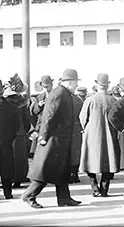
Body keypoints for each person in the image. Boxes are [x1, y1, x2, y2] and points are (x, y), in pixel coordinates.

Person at [22, 69, 82, 209]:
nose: (76, 86)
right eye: (75, 83)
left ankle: (64, 198)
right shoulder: (60, 94)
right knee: (46, 169)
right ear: (69, 83)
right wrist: (44, 136)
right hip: (53, 139)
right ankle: (29, 195)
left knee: (62, 169)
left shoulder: (63, 93)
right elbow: (49, 116)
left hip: (60, 139)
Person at [79, 73, 120, 197]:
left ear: (97, 84)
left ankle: (94, 188)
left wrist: (85, 129)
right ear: (108, 85)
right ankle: (104, 189)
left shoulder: (90, 100)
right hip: (109, 135)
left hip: (92, 135)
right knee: (108, 161)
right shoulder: (113, 100)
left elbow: (82, 118)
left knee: (89, 161)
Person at [3, 74, 31, 189]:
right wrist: (25, 130)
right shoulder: (22, 102)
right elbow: (26, 119)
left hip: (6, 132)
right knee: (20, 158)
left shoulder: (5, 102)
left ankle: (7, 179)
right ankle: (19, 179)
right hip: (19, 132)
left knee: (8, 156)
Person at [29, 75, 53, 157]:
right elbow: (33, 112)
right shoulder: (40, 97)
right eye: (44, 87)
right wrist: (38, 105)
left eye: (47, 86)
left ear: (51, 85)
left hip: (52, 126)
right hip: (41, 126)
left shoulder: (55, 95)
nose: (46, 89)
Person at [70, 87, 84, 184]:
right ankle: (74, 174)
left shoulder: (62, 100)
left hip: (65, 128)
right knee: (76, 152)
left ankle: (68, 174)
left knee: (67, 151)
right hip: (76, 127)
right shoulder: (78, 101)